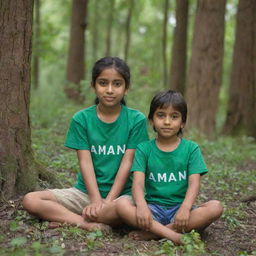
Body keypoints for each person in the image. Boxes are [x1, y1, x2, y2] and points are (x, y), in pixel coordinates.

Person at [23, 57, 149, 231]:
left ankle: (92, 216)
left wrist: (108, 201)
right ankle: (86, 223)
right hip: (86, 194)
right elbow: (85, 162)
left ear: (126, 88)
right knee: (31, 200)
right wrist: (96, 200)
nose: (110, 90)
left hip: (122, 197)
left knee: (124, 209)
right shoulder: (81, 119)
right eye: (103, 83)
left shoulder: (136, 120)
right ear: (93, 86)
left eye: (117, 84)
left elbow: (128, 163)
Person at [116, 90, 223, 244]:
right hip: (152, 210)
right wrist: (141, 206)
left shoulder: (191, 149)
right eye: (161, 115)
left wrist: (185, 208)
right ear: (152, 120)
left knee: (215, 207)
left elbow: (194, 184)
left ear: (182, 122)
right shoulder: (143, 149)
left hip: (181, 211)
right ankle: (173, 235)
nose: (167, 122)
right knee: (121, 204)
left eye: (174, 117)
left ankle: (155, 232)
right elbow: (138, 184)